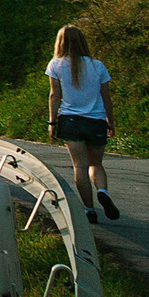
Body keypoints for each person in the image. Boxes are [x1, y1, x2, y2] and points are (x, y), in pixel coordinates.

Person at [45, 24, 120, 221]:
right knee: (96, 164)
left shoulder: (56, 65)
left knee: (80, 166)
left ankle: (89, 209)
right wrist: (110, 122)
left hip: (71, 121)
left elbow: (55, 95)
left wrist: (52, 123)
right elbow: (106, 97)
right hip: (96, 121)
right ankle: (102, 191)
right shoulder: (98, 66)